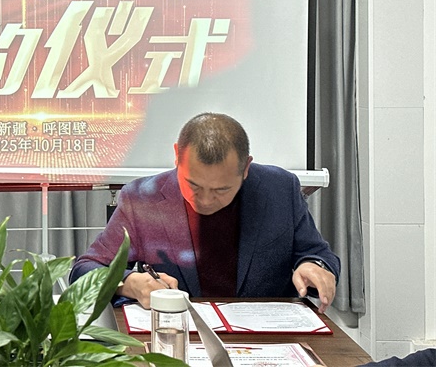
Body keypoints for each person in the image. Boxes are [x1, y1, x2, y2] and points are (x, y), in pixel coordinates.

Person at [69, 112, 339, 312]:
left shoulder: (279, 189)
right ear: (177, 156)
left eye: (222, 189)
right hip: (177, 338)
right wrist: (129, 283)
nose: (206, 200)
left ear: (246, 168)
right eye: (193, 186)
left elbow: (318, 254)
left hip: (270, 339)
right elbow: (84, 270)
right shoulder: (142, 198)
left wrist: (313, 266)